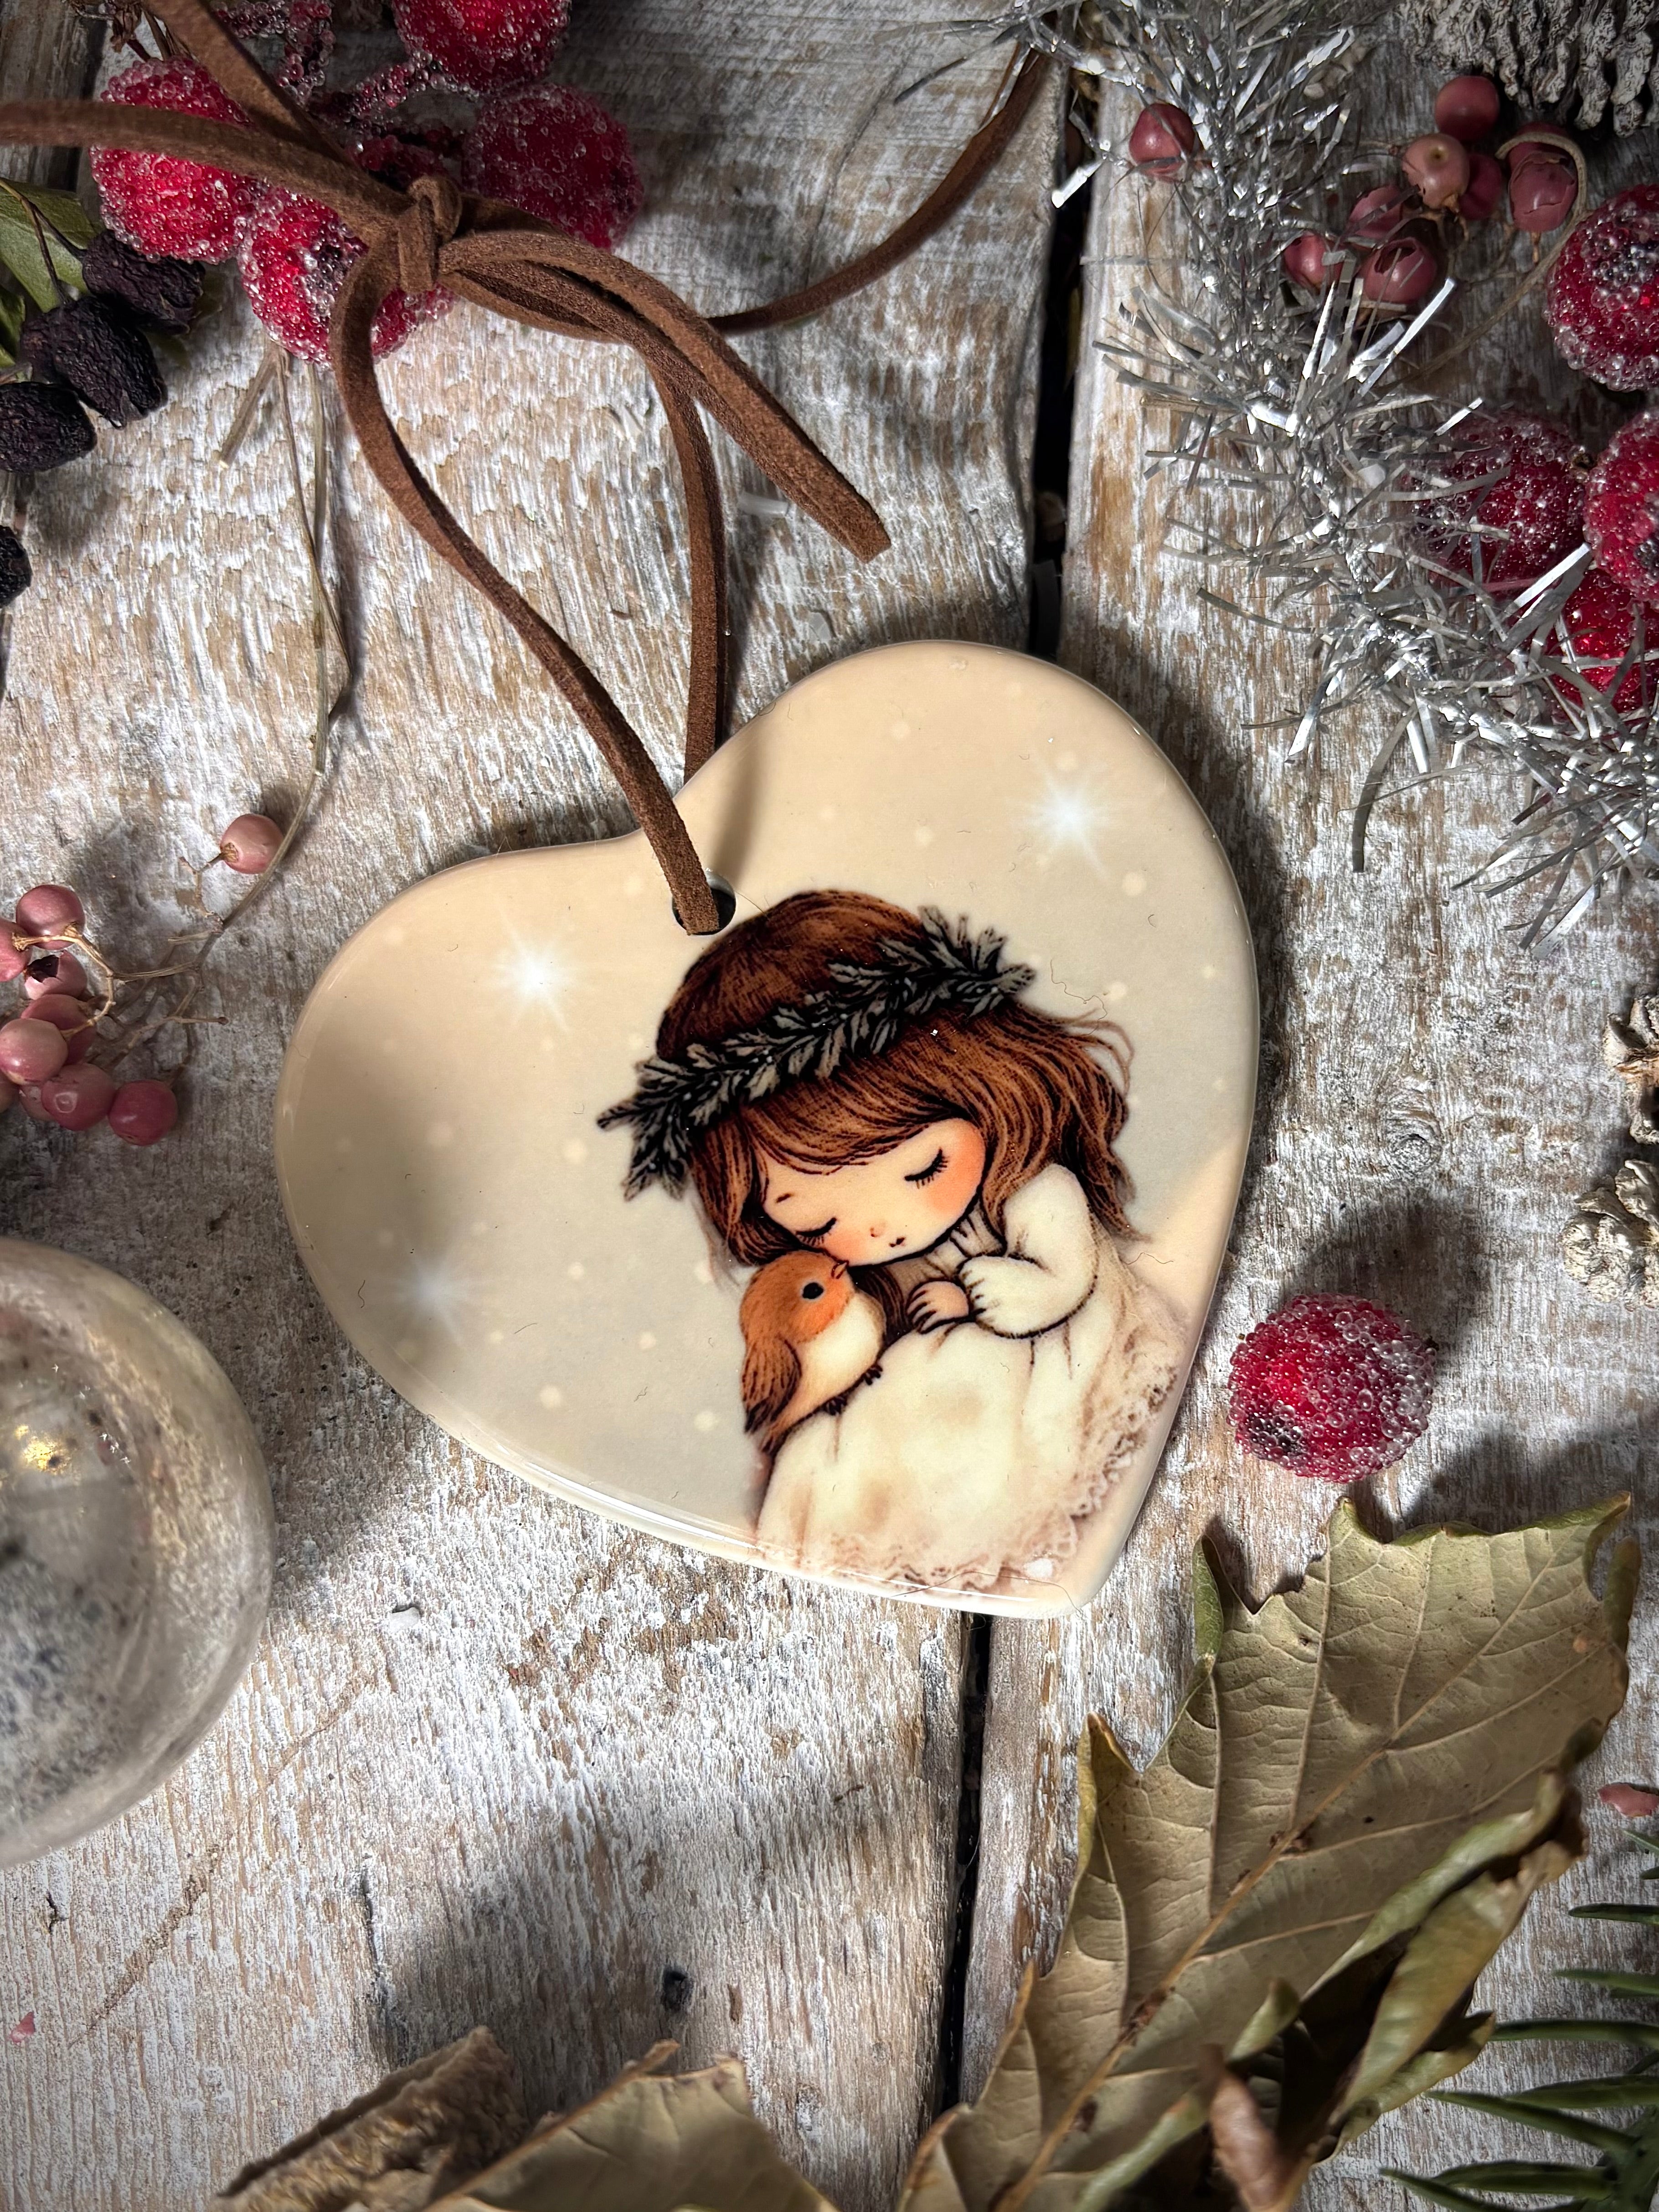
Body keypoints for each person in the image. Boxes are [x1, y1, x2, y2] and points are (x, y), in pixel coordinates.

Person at [600, 890, 1182, 1596]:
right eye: (818, 1224)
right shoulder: (864, 1273)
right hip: (935, 1386)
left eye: (923, 1169)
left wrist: (988, 1294)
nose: (880, 1228)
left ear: (980, 1081)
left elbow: (1061, 1279)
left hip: (1045, 1357)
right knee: (835, 1458)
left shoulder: (1030, 1192)